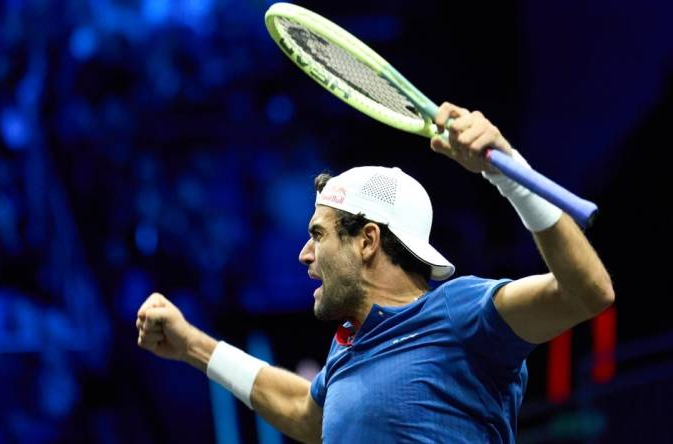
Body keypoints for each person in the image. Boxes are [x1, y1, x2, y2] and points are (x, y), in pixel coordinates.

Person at [135, 103, 615, 443]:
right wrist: (192, 346)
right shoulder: (347, 351)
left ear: (367, 241)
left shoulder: (462, 314)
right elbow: (306, 414)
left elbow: (586, 293)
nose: (304, 254)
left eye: (318, 235)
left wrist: (508, 173)